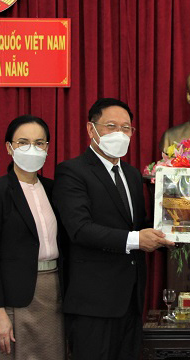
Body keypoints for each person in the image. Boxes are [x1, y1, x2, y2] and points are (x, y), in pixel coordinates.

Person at [53, 98, 175, 360]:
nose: (120, 134)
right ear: (91, 129)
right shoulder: (71, 172)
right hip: (93, 303)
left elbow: (138, 225)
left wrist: (173, 229)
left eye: (126, 128)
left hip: (131, 299)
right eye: (111, 126)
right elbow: (80, 229)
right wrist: (136, 240)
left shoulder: (131, 174)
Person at [0, 115, 65, 359]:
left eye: (39, 143)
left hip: (52, 291)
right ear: (9, 147)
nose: (32, 149)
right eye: (23, 142)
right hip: (11, 299)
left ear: (47, 147)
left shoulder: (55, 189)